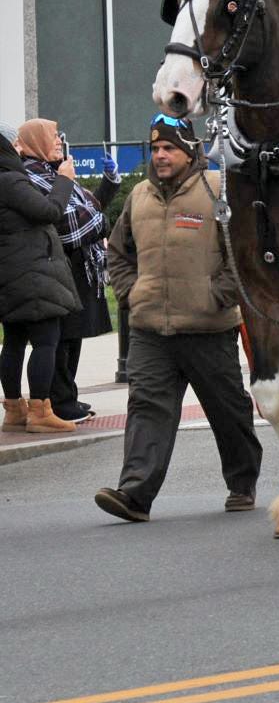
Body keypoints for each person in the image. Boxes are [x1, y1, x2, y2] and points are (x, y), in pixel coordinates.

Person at [94, 115, 261, 523]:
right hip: (151, 329)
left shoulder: (218, 190)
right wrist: (132, 292)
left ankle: (242, 483)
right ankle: (135, 495)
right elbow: (117, 252)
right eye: (155, 149)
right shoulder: (139, 196)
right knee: (147, 408)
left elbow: (246, 251)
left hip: (208, 327)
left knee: (228, 411)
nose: (160, 155)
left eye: (169, 148)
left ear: (190, 151)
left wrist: (218, 294)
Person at [13, 119, 119, 424]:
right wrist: (99, 221)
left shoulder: (53, 172)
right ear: (34, 141)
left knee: (74, 336)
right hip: (58, 264)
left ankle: (68, 395)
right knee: (61, 338)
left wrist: (108, 183)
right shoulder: (32, 177)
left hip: (76, 264)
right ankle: (58, 401)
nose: (59, 140)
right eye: (51, 136)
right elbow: (65, 223)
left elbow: (89, 206)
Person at [0, 122, 81, 435]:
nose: (20, 149)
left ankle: (14, 409)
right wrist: (64, 180)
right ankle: (39, 410)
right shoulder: (10, 181)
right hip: (30, 273)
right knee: (46, 340)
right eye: (16, 144)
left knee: (15, 340)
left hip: (12, 272)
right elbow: (49, 211)